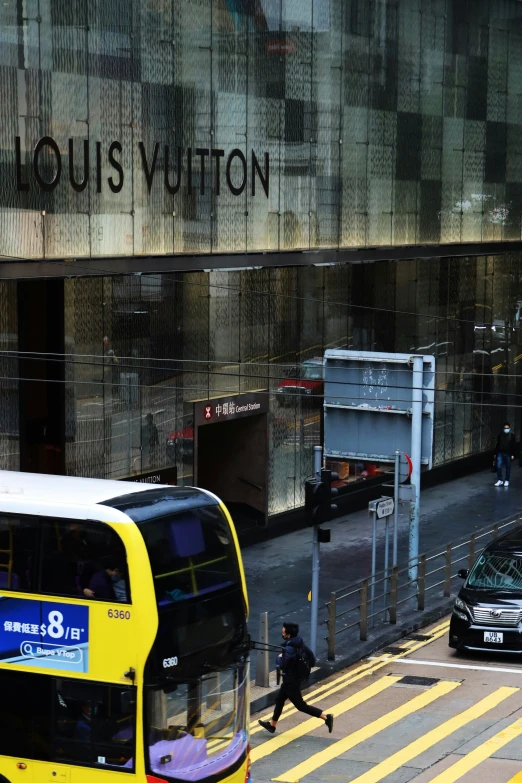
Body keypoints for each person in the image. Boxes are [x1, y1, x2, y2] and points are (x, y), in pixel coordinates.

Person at [258, 622, 333, 735]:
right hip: (294, 678)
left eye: (283, 632)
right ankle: (272, 725)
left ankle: (326, 717)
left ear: (288, 635)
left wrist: (280, 658)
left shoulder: (289, 648)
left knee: (301, 706)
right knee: (279, 700)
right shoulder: (299, 642)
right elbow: (311, 658)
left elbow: (283, 665)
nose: (281, 633)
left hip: (290, 681)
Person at [494, 422, 517, 487]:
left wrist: (513, 454)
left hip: (508, 453)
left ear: (509, 428)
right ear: (503, 428)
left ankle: (507, 480)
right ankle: (500, 480)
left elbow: (513, 445)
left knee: (508, 467)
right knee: (498, 466)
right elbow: (498, 444)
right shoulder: (500, 435)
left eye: (507, 428)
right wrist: (495, 453)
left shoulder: (512, 435)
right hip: (500, 453)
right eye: (505, 428)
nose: (506, 429)